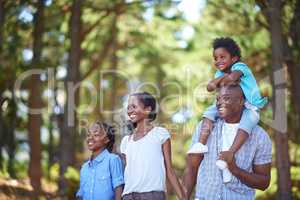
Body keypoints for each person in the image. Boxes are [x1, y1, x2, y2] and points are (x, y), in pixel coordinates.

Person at [188, 37, 267, 182]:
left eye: (222, 57)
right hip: (228, 104)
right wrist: (221, 78)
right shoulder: (220, 73)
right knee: (209, 113)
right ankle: (201, 144)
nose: (218, 61)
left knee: (244, 126)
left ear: (234, 58)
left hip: (249, 105)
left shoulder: (241, 67)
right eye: (215, 58)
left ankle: (230, 154)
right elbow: (209, 87)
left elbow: (231, 79)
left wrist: (222, 79)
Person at [183, 85, 272, 200]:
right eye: (218, 99)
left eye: (226, 98)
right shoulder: (204, 128)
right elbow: (191, 169)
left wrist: (234, 169)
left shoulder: (259, 136)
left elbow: (264, 183)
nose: (219, 102)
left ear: (241, 101)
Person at [120, 92, 185, 200]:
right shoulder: (126, 141)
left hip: (152, 195)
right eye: (128, 107)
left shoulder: (160, 134)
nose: (130, 110)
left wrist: (183, 197)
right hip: (128, 196)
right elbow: (127, 174)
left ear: (148, 109)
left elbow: (169, 170)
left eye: (134, 106)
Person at [76, 121, 124, 200]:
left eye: (96, 134)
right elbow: (80, 195)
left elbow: (118, 191)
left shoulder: (113, 160)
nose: (90, 138)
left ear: (106, 139)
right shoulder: (84, 168)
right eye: (88, 135)